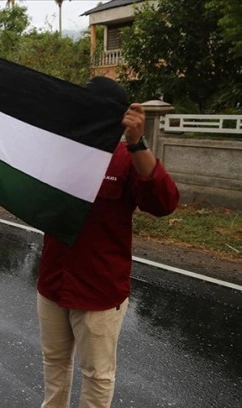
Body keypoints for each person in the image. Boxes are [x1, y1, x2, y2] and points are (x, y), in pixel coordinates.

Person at [36, 77, 179, 408]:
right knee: (54, 365)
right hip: (53, 283)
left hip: (99, 291)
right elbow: (17, 184)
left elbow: (164, 203)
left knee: (97, 375)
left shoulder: (126, 159)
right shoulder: (60, 153)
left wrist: (138, 143)